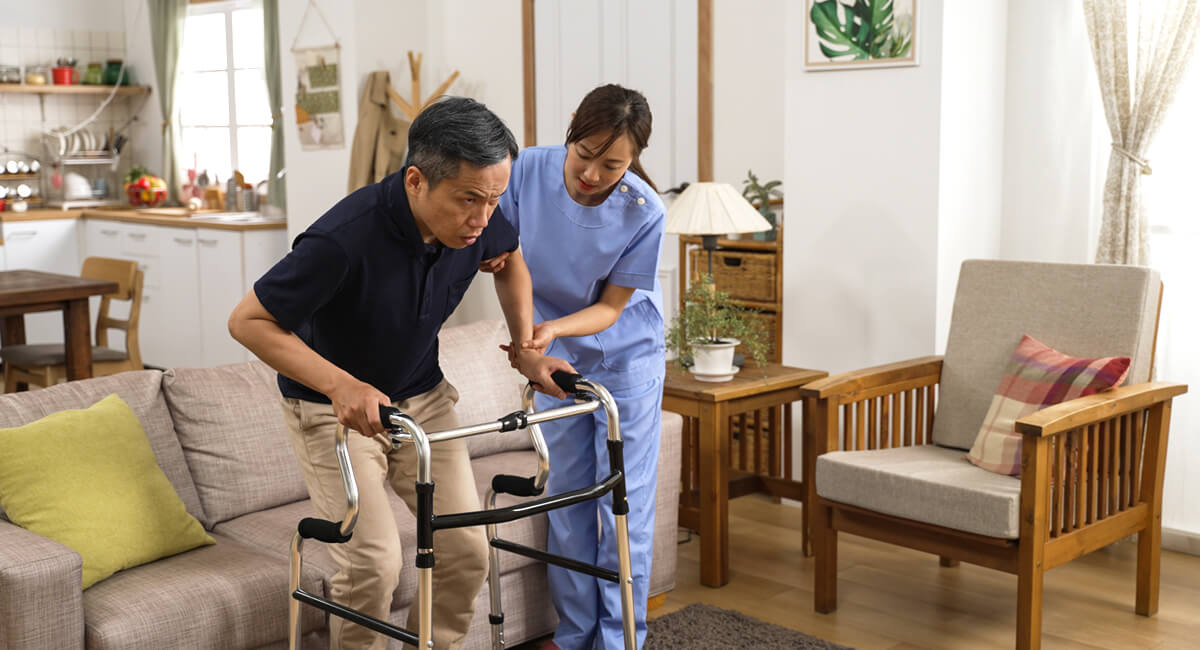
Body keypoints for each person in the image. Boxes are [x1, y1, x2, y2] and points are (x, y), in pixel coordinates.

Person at [228, 96, 573, 650]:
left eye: (495, 200)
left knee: (466, 552)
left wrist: (526, 350)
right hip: (331, 412)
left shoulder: (476, 217)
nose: (483, 219)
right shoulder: (341, 241)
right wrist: (340, 384)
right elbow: (248, 321)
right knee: (375, 564)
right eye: (469, 200)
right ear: (417, 181)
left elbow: (509, 261)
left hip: (425, 401)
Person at [483, 84, 665, 650]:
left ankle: (618, 642)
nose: (591, 173)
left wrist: (551, 329)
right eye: (584, 154)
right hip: (553, 363)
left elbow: (612, 308)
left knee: (621, 508)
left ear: (633, 159)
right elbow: (503, 261)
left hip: (626, 356)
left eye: (612, 164)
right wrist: (529, 345)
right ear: (570, 132)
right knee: (567, 500)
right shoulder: (524, 172)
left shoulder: (645, 211)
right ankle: (575, 634)